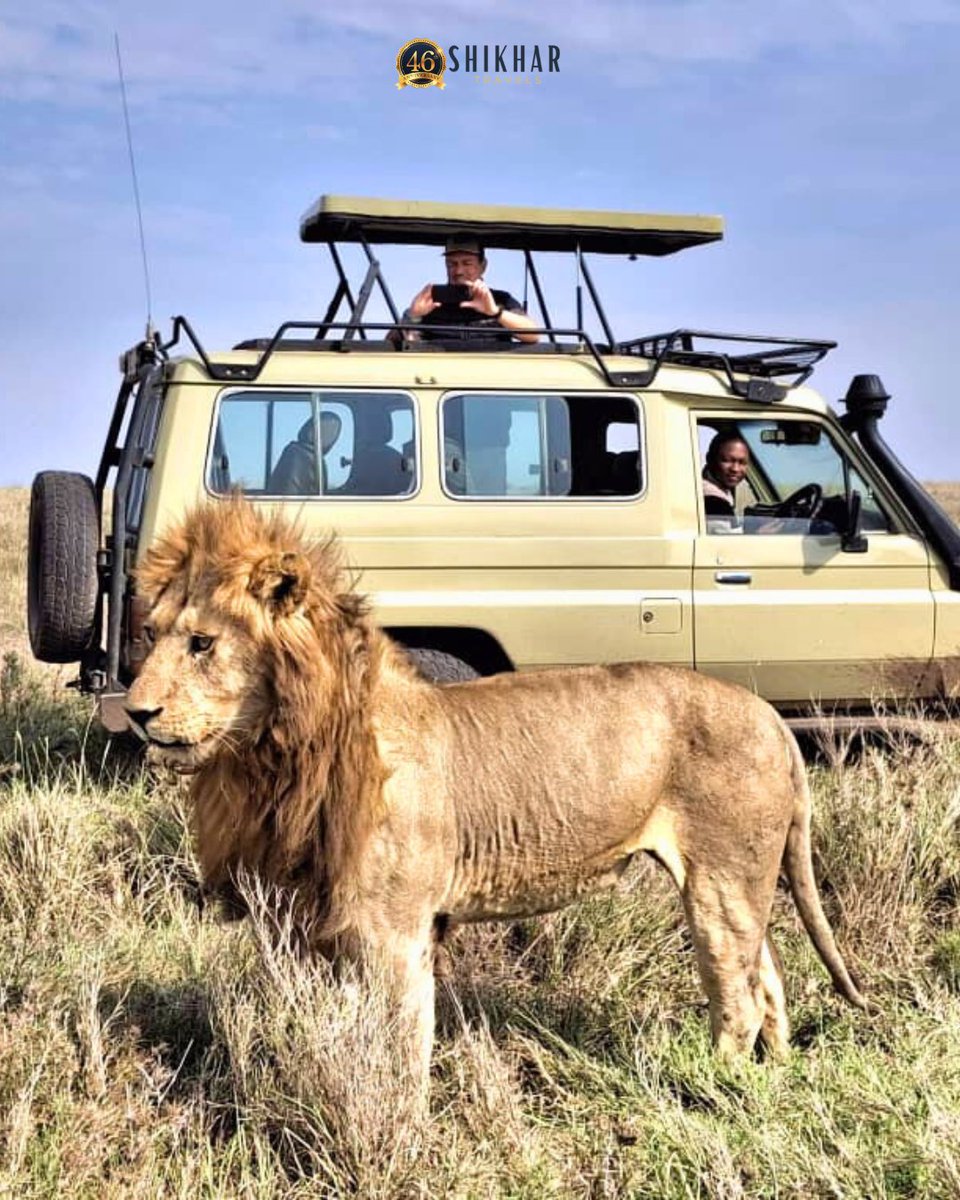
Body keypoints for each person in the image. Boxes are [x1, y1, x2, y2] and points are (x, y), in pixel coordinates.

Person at [400, 235, 539, 344]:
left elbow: (534, 335)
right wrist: (412, 315)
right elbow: (390, 343)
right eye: (452, 264)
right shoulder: (430, 302)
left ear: (482, 266)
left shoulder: (501, 299)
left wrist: (495, 312)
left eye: (467, 263)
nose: (459, 271)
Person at [702, 432, 749, 530]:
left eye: (742, 462)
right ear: (709, 459)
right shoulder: (714, 501)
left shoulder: (719, 489)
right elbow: (727, 543)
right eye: (727, 460)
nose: (735, 469)